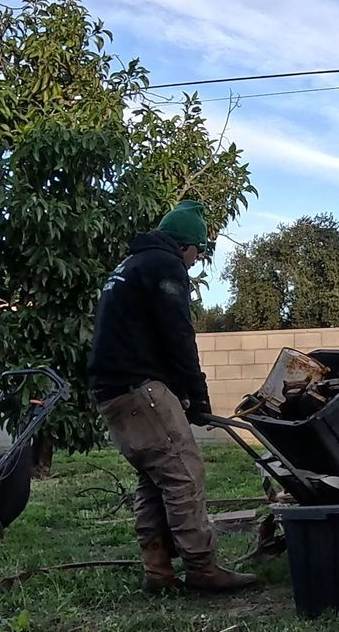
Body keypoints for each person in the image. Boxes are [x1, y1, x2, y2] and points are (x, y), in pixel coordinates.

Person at [88, 200, 257, 594]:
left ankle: (159, 573)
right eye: (198, 252)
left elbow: (145, 334)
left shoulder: (132, 265)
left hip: (112, 388)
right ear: (185, 245)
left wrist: (177, 392)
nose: (197, 262)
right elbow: (179, 335)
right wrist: (198, 396)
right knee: (184, 473)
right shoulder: (166, 266)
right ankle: (202, 568)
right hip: (137, 387)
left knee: (155, 477)